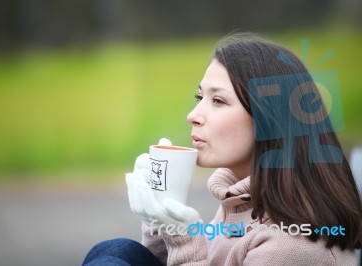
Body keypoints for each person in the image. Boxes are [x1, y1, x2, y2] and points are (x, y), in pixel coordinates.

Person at [82, 32, 362, 265]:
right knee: (118, 252)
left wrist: (185, 241)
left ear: (268, 119)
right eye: (200, 96)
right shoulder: (239, 202)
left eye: (218, 101)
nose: (193, 115)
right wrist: (161, 217)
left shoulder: (291, 247)